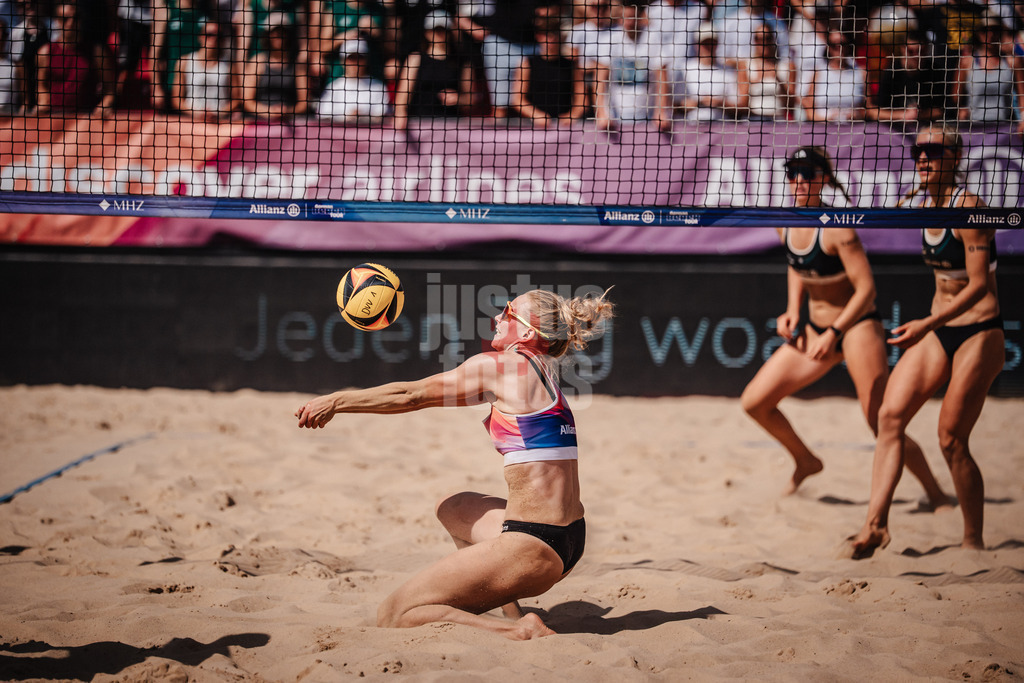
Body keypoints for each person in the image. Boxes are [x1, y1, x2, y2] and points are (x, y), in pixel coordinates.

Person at [295, 288, 614, 639]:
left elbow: (411, 395)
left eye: (508, 312)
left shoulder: (501, 367)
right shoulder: (545, 374)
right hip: (570, 539)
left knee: (395, 613)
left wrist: (338, 400)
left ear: (526, 332)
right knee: (455, 507)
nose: (497, 318)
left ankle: (521, 630)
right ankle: (510, 608)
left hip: (534, 546)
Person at [741, 146, 952, 505]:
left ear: (823, 178)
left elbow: (867, 288)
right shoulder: (784, 221)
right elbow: (796, 264)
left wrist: (835, 332)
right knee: (754, 402)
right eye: (792, 173)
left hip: (855, 328)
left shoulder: (840, 230)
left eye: (807, 173)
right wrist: (792, 309)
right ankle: (806, 460)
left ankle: (935, 494)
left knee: (881, 420)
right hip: (816, 330)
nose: (798, 181)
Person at [847, 125, 1004, 559]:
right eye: (918, 151)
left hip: (979, 330)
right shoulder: (922, 202)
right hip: (939, 328)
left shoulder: (968, 207)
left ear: (954, 159)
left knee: (951, 438)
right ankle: (875, 525)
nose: (922, 158)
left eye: (933, 152)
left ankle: (973, 540)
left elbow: (977, 287)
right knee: (889, 416)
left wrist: (926, 323)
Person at [393, 9, 474, 131]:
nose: (438, 34)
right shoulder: (416, 59)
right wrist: (400, 114)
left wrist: (458, 99)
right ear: (427, 33)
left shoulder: (462, 62)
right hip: (419, 125)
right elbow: (402, 96)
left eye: (442, 30)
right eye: (434, 30)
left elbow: (471, 99)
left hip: (451, 127)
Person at [510, 15, 586, 127]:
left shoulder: (571, 65)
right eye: (546, 35)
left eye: (554, 34)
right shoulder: (527, 63)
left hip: (564, 128)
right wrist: (536, 115)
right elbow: (517, 100)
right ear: (538, 36)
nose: (551, 39)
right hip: (534, 126)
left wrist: (572, 115)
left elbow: (582, 98)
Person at [955, 13, 1021, 124]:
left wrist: (1023, 118)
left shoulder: (1013, 62)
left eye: (995, 30)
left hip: (1005, 128)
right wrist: (961, 109)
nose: (990, 35)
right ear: (978, 33)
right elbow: (956, 97)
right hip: (974, 127)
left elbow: (1022, 95)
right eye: (985, 30)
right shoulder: (966, 62)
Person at [801, 24, 866, 122]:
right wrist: (828, 118)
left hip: (853, 130)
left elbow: (869, 110)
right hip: (823, 130)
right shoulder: (819, 73)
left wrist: (857, 115)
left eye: (843, 44)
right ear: (828, 47)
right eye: (834, 45)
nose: (839, 49)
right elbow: (809, 111)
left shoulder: (861, 73)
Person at [316, 37, 390, 122]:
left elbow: (382, 117)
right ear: (343, 61)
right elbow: (323, 118)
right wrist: (346, 118)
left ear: (366, 60)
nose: (355, 62)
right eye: (351, 58)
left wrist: (363, 118)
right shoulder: (333, 87)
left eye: (359, 58)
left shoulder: (378, 87)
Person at [175, 20, 234, 120]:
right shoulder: (184, 62)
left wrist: (218, 113)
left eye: (218, 35)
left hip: (218, 122)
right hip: (191, 122)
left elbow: (236, 100)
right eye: (209, 34)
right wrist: (196, 113)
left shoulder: (229, 65)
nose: (214, 39)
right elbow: (176, 99)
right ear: (201, 37)